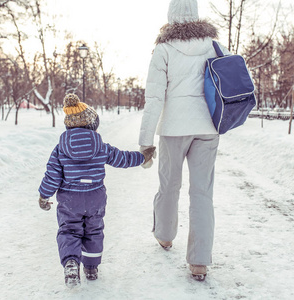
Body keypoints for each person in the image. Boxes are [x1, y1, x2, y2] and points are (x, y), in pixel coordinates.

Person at [139, 0, 230, 281]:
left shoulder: (164, 50)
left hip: (173, 129)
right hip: (207, 128)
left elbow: (154, 98)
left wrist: (145, 141)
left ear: (170, 16)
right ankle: (199, 261)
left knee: (169, 184)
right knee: (202, 192)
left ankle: (165, 236)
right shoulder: (215, 47)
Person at [38, 93, 155, 287]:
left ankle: (71, 263)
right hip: (95, 197)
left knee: (69, 230)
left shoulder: (60, 148)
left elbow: (52, 175)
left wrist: (44, 196)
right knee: (94, 230)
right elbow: (122, 159)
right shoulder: (101, 146)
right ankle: (91, 268)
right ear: (92, 124)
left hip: (70, 199)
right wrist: (142, 157)